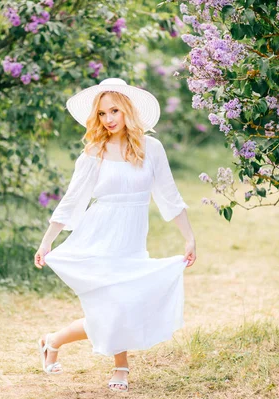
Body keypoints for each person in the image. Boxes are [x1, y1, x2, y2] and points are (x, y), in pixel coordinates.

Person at [34, 77, 197, 393]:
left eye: (114, 111)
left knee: (118, 306)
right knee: (114, 304)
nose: (108, 120)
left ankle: (51, 340)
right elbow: (73, 200)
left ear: (128, 111)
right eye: (102, 114)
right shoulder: (95, 151)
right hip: (98, 234)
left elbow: (169, 195)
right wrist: (47, 240)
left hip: (131, 237)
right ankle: (120, 367)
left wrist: (188, 237)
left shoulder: (152, 148)